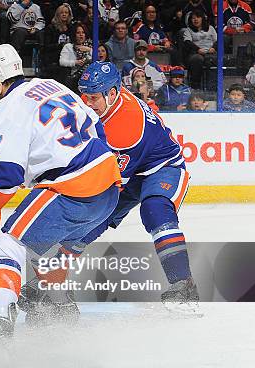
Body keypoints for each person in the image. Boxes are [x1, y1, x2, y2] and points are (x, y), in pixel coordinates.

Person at [0, 45, 121, 359]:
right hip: (108, 187)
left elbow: (4, 177)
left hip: (72, 188)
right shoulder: (50, 85)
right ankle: (59, 312)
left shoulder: (4, 109)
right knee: (42, 250)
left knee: (6, 244)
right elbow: (97, 127)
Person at [74, 61, 199, 312]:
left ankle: (183, 283)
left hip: (163, 167)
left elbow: (108, 183)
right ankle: (50, 281)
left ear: (112, 93)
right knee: (88, 221)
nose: (86, 102)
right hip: (132, 166)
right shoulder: (105, 99)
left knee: (155, 211)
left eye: (93, 97)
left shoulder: (125, 130)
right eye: (83, 94)